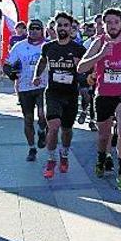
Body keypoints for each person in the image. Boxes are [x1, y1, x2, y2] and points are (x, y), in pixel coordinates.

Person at [77, 8, 121, 189]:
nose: (112, 26)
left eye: (116, 22)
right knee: (104, 135)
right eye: (109, 22)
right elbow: (80, 68)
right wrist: (100, 54)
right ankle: (102, 158)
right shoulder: (98, 42)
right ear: (104, 24)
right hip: (103, 95)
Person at [33, 12, 86, 178]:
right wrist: (36, 76)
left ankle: (64, 155)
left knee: (67, 130)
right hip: (53, 93)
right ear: (54, 28)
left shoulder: (78, 49)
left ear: (71, 28)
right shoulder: (48, 47)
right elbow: (42, 62)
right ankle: (51, 159)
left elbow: (85, 69)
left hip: (71, 94)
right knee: (53, 126)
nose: (62, 28)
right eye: (59, 25)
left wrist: (84, 81)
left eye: (66, 25)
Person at [4, 19, 48, 162]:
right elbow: (7, 65)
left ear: (42, 30)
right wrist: (11, 74)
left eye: (37, 28)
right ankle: (32, 148)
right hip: (25, 87)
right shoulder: (19, 46)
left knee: (42, 115)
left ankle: (42, 131)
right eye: (31, 28)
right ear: (27, 30)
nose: (34, 31)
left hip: (43, 86)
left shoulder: (48, 46)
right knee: (28, 119)